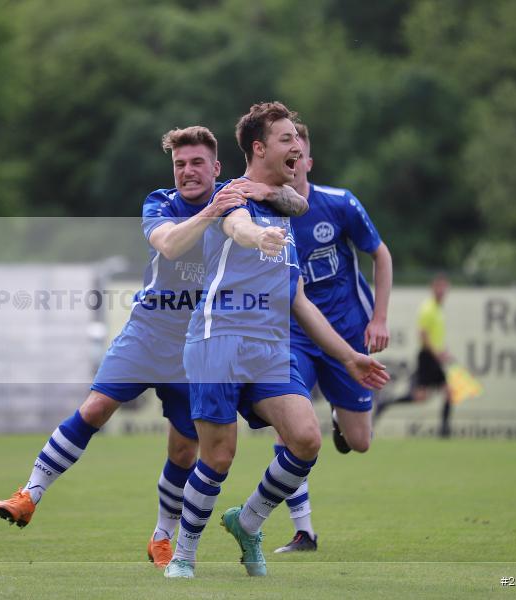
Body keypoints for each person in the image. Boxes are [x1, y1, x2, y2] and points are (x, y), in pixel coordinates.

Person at [0, 126, 307, 568]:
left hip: (196, 342)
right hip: (148, 331)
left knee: (184, 450)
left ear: (216, 167)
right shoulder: (162, 203)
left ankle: (162, 536)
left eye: (197, 163)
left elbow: (294, 203)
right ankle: (30, 493)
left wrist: (265, 190)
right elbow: (169, 244)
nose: (187, 172)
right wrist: (212, 212)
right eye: (180, 164)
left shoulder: (238, 195)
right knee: (95, 408)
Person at [164, 102, 389, 578]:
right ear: (260, 148)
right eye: (287, 139)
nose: (297, 147)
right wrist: (253, 237)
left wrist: (349, 357)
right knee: (219, 456)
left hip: (269, 347)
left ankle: (248, 522)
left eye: (297, 139)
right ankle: (184, 553)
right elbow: (236, 224)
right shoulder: (234, 195)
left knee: (307, 438)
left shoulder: (282, 206)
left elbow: (300, 301)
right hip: (218, 340)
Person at [269, 122, 393, 553]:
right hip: (295, 338)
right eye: (284, 150)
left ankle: (342, 417)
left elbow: (380, 253)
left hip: (346, 334)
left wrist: (378, 319)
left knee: (359, 443)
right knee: (290, 427)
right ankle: (305, 531)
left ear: (308, 161)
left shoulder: (339, 203)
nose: (291, 159)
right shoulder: (265, 213)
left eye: (297, 152)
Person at [375, 273, 452, 437]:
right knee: (420, 396)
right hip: (427, 357)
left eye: (444, 287)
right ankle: (385, 403)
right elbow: (423, 334)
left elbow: (435, 335)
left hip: (433, 356)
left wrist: (443, 351)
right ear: (432, 288)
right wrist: (437, 354)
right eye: (438, 287)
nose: (442, 290)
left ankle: (444, 431)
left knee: (447, 392)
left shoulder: (438, 309)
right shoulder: (428, 308)